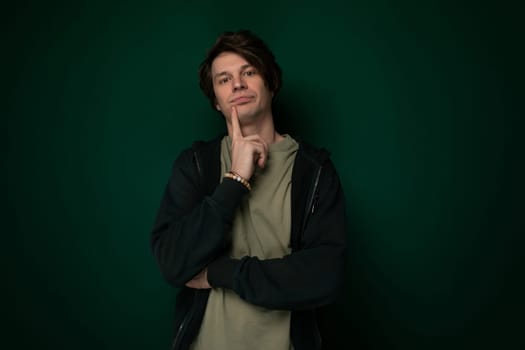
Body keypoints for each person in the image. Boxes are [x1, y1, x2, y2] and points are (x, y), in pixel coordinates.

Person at [151, 30, 346, 350]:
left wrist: (220, 273)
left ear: (271, 82)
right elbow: (172, 263)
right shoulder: (196, 166)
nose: (237, 84)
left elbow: (324, 276)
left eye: (249, 72)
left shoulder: (315, 172)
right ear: (215, 100)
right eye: (223, 79)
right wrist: (235, 181)